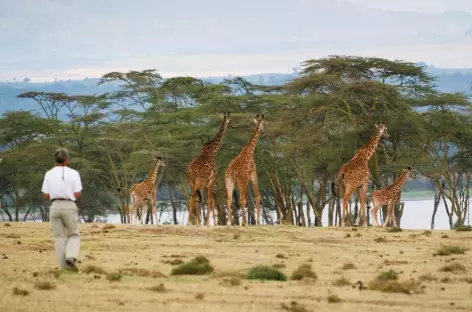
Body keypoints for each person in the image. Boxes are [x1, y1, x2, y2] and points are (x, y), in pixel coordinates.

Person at [41, 147, 83, 271]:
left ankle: (64, 267)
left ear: (55, 160)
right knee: (74, 234)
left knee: (59, 237)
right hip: (69, 205)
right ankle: (70, 257)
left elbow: (46, 195)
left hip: (54, 206)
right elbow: (77, 194)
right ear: (66, 159)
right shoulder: (74, 173)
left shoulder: (48, 173)